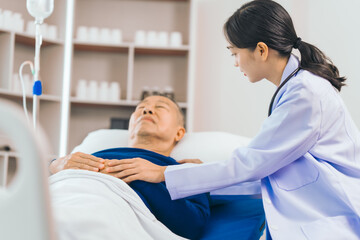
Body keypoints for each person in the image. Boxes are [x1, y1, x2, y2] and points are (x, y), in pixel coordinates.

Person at [110, 1, 360, 239]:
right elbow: (264, 169)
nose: (235, 63)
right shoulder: (296, 88)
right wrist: (194, 175)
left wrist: (167, 173)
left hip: (331, 218)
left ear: (261, 50)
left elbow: (251, 164)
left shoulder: (305, 94)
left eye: (234, 53)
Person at [49, 95, 210, 240]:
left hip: (110, 206)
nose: (147, 110)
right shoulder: (85, 156)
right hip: (62, 190)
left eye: (160, 107)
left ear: (179, 133)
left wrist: (139, 179)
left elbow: (190, 225)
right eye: (141, 107)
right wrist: (54, 165)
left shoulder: (182, 171)